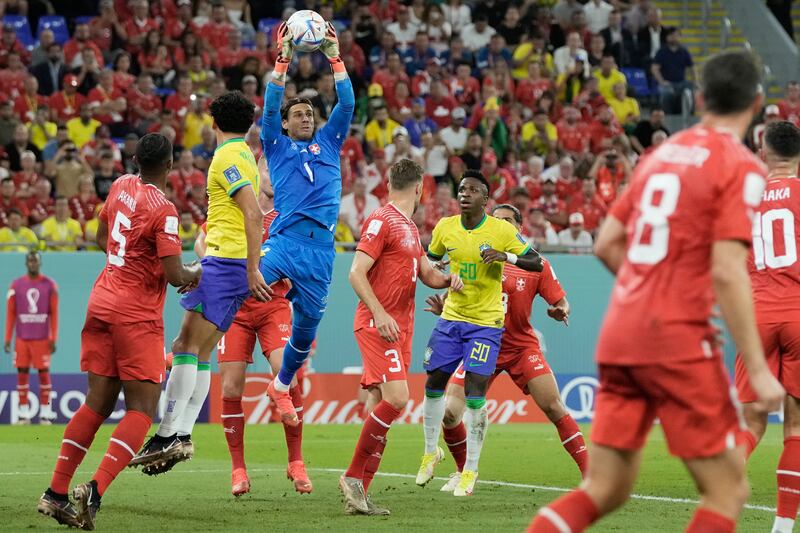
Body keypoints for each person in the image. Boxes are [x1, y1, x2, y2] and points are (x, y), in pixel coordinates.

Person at [527, 49, 785, 533]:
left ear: (702, 97)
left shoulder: (661, 155)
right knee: (728, 490)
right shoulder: (742, 165)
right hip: (678, 339)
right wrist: (757, 368)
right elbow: (729, 272)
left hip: (621, 332)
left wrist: (649, 291)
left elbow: (606, 243)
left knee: (605, 488)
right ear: (757, 101)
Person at [37, 133, 201, 530]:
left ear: (135, 160)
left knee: (97, 403)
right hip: (136, 315)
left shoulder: (120, 186)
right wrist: (198, 273)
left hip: (101, 302)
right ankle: (93, 490)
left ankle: (55, 494)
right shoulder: (165, 211)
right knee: (142, 410)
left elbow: (100, 236)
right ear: (170, 164)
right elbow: (175, 274)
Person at [130, 91, 269, 472]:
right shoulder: (246, 154)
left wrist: (252, 268)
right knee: (201, 352)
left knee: (183, 345)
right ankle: (184, 435)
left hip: (226, 264)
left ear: (213, 123)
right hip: (231, 263)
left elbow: (253, 214)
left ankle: (168, 434)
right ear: (250, 124)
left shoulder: (226, 156)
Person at [425, 203, 583, 492]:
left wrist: (561, 310)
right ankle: (463, 472)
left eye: (508, 221)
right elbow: (459, 301)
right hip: (480, 342)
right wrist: (444, 309)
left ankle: (591, 474)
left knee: (553, 406)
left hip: (521, 347)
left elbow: (561, 301)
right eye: (496, 220)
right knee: (449, 413)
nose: (501, 225)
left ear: (519, 228)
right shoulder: (477, 257)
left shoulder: (537, 264)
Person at [339, 159, 462, 516]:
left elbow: (426, 272)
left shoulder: (407, 225)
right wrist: (379, 313)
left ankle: (360, 492)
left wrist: (450, 280)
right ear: (419, 187)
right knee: (397, 398)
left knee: (380, 403)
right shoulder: (383, 219)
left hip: (401, 330)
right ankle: (352, 478)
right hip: (380, 326)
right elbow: (355, 272)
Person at [416, 170, 543, 497]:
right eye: (461, 189)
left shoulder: (500, 230)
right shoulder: (445, 227)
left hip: (485, 324)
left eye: (473, 190)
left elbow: (535, 261)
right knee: (432, 385)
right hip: (450, 318)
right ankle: (431, 452)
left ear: (485, 199)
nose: (465, 194)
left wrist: (506, 256)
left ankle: (470, 469)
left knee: (474, 393)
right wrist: (440, 275)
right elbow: (428, 264)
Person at [258, 22, 355, 425]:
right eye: (296, 114)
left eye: (309, 113)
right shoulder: (277, 147)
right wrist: (283, 60)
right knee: (235, 285)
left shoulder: (329, 142)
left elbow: (346, 106)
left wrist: (335, 57)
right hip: (283, 243)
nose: (304, 118)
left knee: (305, 333)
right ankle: (184, 350)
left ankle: (280, 385)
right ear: (284, 124)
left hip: (321, 252)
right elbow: (269, 106)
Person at [201, 181, 312, 497]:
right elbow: (201, 242)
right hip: (236, 308)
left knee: (287, 378)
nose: (275, 177)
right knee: (232, 386)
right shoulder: (231, 211)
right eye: (267, 170)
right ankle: (238, 469)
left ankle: (296, 461)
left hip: (273, 305)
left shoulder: (286, 215)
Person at [734, 120, 800, 533]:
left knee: (752, 423)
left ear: (763, 152)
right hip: (797, 311)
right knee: (794, 426)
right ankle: (781, 526)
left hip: (756, 314)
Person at [4, 252, 58, 425]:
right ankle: (23, 414)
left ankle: (46, 413)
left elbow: (54, 314)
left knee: (43, 374)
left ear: (40, 263)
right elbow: (11, 313)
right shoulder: (16, 285)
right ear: (27, 263)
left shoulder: (49, 285)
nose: (33, 263)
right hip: (22, 338)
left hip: (42, 338)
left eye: (35, 260)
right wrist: (7, 338)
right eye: (30, 261)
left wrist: (53, 337)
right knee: (22, 373)